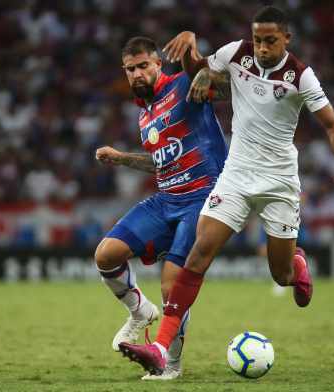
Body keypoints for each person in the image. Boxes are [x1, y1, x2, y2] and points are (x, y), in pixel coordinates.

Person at [118, 6, 334, 375]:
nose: (261, 48)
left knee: (279, 274)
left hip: (278, 181)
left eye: (270, 41)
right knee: (198, 254)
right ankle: (161, 350)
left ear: (286, 40)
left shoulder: (301, 76)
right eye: (258, 39)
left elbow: (332, 124)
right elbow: (201, 72)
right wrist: (190, 49)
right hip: (236, 174)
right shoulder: (237, 52)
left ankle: (296, 263)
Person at [93, 36, 229, 380]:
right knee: (106, 255)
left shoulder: (183, 84)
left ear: (158, 64)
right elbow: (161, 163)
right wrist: (122, 158)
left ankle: (170, 363)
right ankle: (139, 311)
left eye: (143, 66)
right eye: (130, 69)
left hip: (201, 197)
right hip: (166, 198)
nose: (137, 74)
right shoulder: (145, 113)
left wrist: (201, 68)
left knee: (173, 285)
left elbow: (225, 86)